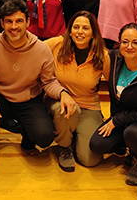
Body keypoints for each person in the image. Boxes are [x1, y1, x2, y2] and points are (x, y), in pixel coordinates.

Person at [0, 0, 78, 173]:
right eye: (9, 22)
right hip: (1, 97)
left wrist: (63, 93)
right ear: (2, 23)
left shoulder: (41, 49)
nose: (14, 27)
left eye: (19, 21)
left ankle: (26, 134)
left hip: (28, 99)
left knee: (44, 138)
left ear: (28, 22)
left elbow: (49, 81)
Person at [89, 23, 137, 186]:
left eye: (135, 43)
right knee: (97, 144)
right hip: (121, 121)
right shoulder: (114, 60)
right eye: (125, 42)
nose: (129, 46)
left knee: (134, 133)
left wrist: (117, 120)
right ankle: (128, 147)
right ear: (119, 43)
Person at [44, 11, 110, 172]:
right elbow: (30, 44)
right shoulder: (57, 44)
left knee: (90, 160)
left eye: (85, 28)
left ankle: (72, 135)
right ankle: (65, 146)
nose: (80, 31)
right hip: (58, 100)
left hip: (88, 105)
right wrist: (3, 37)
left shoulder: (103, 55)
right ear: (70, 30)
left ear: (93, 33)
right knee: (67, 111)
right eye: (76, 27)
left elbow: (114, 85)